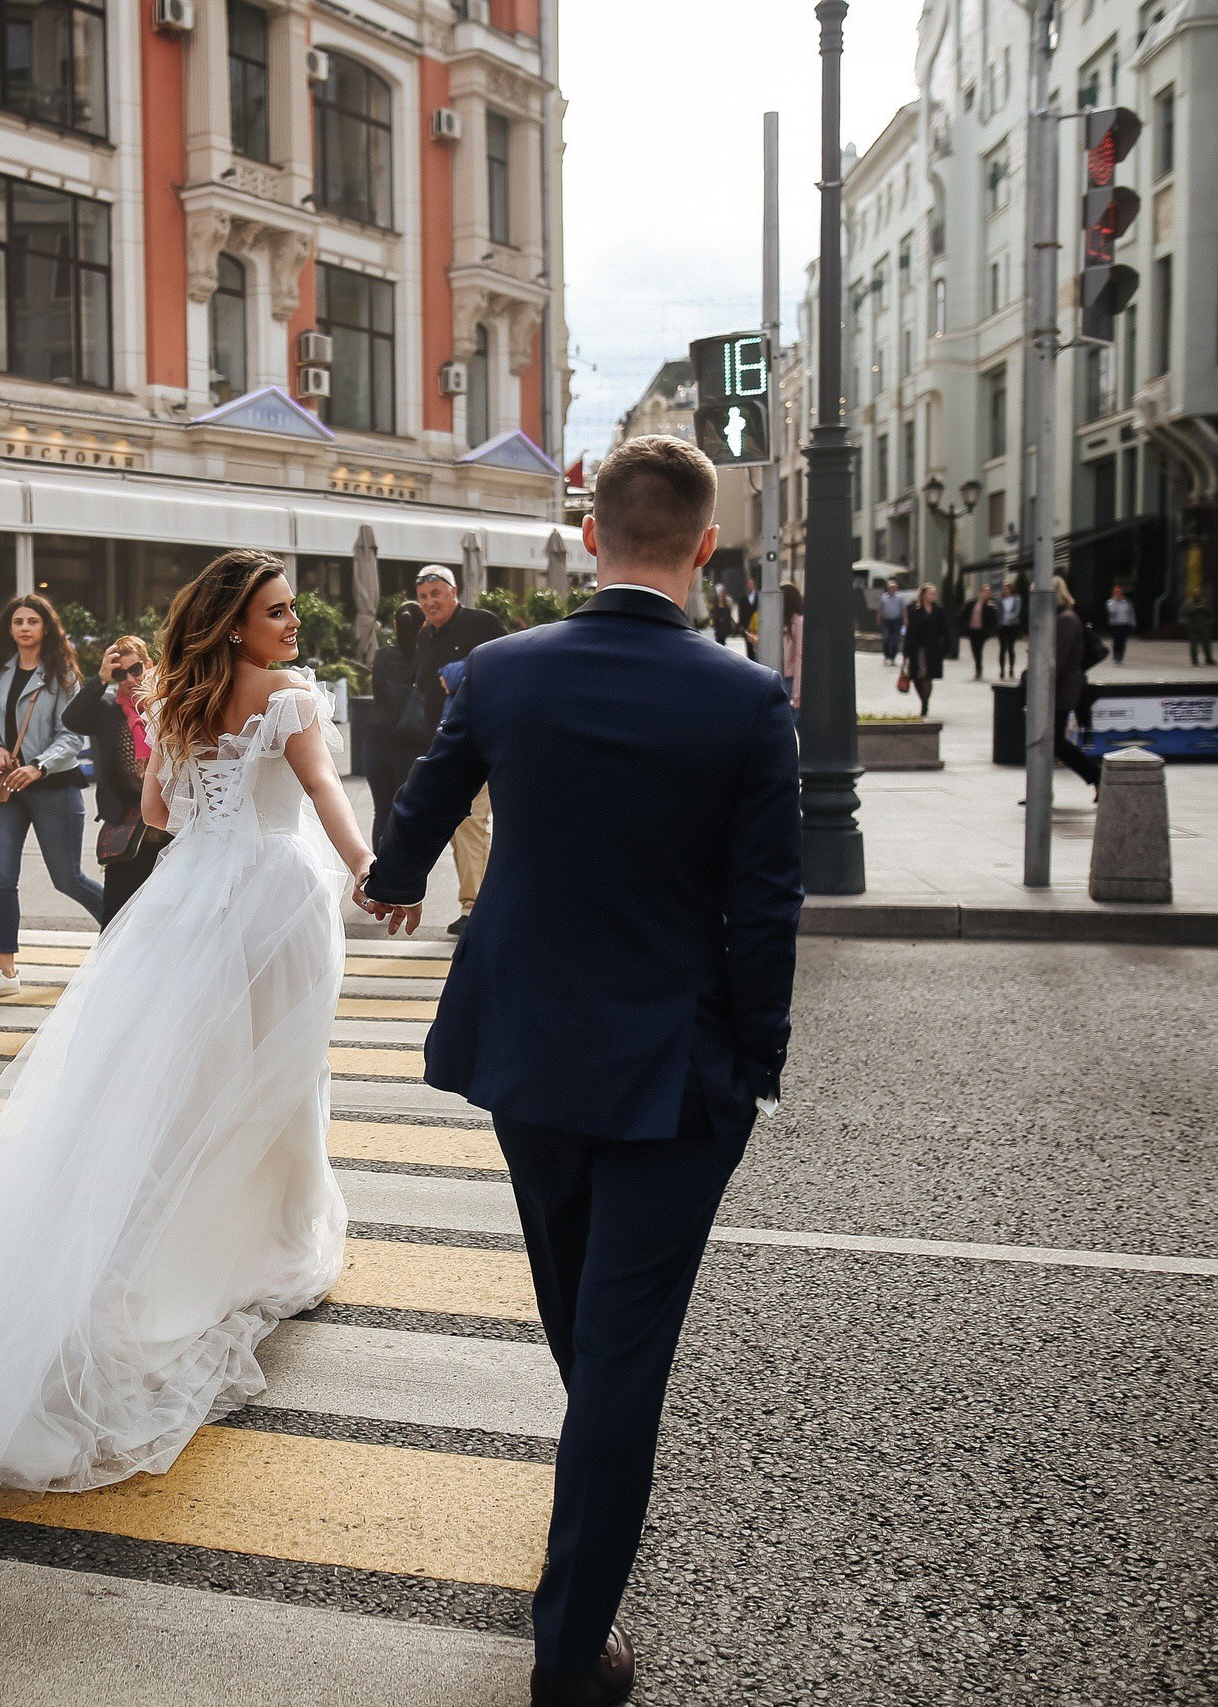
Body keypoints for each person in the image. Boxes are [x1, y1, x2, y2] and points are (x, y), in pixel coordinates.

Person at [359, 435, 803, 1707]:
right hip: (675, 1071)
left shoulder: (500, 670)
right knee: (619, 1353)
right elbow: (766, 906)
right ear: (705, 545)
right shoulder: (745, 700)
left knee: (580, 1318)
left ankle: (591, 1499)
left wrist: (391, 877)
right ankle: (568, 1653)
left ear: (590, 533)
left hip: (529, 1052)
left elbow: (421, 810)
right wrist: (755, 1066)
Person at [0, 549, 374, 1560]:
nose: (294, 625)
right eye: (278, 611)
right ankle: (275, 1234)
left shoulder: (177, 699)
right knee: (276, 1078)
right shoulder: (290, 696)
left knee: (182, 1089)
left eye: (291, 610)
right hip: (275, 903)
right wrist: (368, 866)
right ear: (236, 622)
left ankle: (171, 1237)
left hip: (186, 906)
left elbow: (155, 817)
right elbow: (326, 795)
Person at [0, 594, 107, 1002]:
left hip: (53, 788)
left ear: (46, 627)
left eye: (32, 621)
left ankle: (129, 930)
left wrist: (39, 766)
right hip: (7, 789)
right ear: (9, 629)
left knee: (67, 879)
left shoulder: (62, 675)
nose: (24, 628)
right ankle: (5, 971)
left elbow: (72, 736)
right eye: (18, 622)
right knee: (1, 878)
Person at [413, 565, 506, 935]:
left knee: (470, 822)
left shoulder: (482, 623)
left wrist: (458, 673)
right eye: (423, 597)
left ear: (454, 591)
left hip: (480, 740)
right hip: (444, 746)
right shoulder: (425, 636)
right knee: (461, 825)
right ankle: (480, 903)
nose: (429, 602)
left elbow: (507, 664)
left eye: (436, 593)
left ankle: (475, 906)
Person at [63, 634, 169, 922]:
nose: (131, 679)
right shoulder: (107, 709)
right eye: (121, 674)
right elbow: (71, 719)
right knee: (117, 914)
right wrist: (101, 678)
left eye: (136, 669)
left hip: (168, 821)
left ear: (149, 664)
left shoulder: (167, 704)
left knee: (165, 914)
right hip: (126, 821)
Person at [362, 601, 432, 849]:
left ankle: (379, 867)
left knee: (382, 812)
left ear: (395, 624)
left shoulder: (382, 657)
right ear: (423, 624)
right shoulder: (428, 658)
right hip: (413, 745)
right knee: (407, 813)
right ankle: (403, 868)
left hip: (377, 744)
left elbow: (380, 694)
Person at [1049, 585, 1104, 789]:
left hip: (1061, 689)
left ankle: (1097, 776)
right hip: (1060, 687)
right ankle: (1038, 791)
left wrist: (1042, 687)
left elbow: (1058, 658)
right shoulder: (1061, 618)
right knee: (1049, 742)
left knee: (1053, 742)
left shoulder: (1065, 619)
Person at [899, 582, 951, 717]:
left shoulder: (938, 611)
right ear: (923, 595)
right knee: (917, 677)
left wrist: (946, 647)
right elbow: (910, 632)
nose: (933, 596)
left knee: (928, 676)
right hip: (917, 649)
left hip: (933, 649)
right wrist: (906, 652)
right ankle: (923, 700)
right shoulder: (915, 612)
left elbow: (945, 630)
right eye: (930, 593)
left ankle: (925, 704)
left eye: (934, 593)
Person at [779, 580, 806, 709]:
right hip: (780, 676)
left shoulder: (798, 622)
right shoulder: (783, 621)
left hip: (791, 680)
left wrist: (797, 692)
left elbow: (800, 656)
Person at [964, 585, 997, 678]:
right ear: (980, 593)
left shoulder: (989, 605)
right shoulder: (972, 603)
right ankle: (978, 664)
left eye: (988, 593)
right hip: (972, 630)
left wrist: (991, 607)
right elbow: (964, 613)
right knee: (974, 649)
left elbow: (993, 619)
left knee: (979, 649)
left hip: (982, 631)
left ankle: (978, 667)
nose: (986, 594)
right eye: (984, 592)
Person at [1182, 585, 1218, 666]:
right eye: (1195, 593)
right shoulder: (1188, 603)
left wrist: (1203, 609)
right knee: (1193, 644)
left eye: (1198, 593)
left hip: (1203, 626)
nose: (1196, 594)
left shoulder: (1204, 602)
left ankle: (1209, 659)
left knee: (1206, 643)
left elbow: (1210, 611)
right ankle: (1194, 660)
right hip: (1192, 626)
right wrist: (1194, 609)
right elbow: (1184, 612)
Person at [996, 582, 1025, 678]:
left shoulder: (1016, 598)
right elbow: (998, 611)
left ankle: (1011, 668)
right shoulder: (1000, 599)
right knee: (1002, 648)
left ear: (1012, 589)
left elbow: (1017, 611)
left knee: (1011, 648)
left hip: (1012, 626)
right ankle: (1002, 670)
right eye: (1005, 588)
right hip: (1002, 626)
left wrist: (1011, 617)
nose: (1006, 590)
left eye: (1008, 588)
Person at [876, 577, 907, 667]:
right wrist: (878, 619)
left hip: (897, 621)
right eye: (890, 587)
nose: (892, 589)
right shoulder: (883, 597)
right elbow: (880, 610)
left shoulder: (900, 598)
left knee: (896, 640)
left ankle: (893, 657)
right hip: (886, 621)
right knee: (886, 638)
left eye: (894, 587)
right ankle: (887, 656)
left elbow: (904, 610)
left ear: (896, 588)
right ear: (888, 588)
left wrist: (905, 621)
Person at [1105, 584, 1137, 666]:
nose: (1118, 594)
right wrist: (1116, 601)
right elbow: (1112, 612)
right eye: (1116, 592)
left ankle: (1120, 658)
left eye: (1119, 592)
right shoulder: (1110, 602)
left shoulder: (1127, 602)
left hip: (1125, 624)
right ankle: (1116, 657)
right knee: (1116, 641)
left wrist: (1133, 622)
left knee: (1123, 641)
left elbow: (1131, 613)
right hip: (1115, 624)